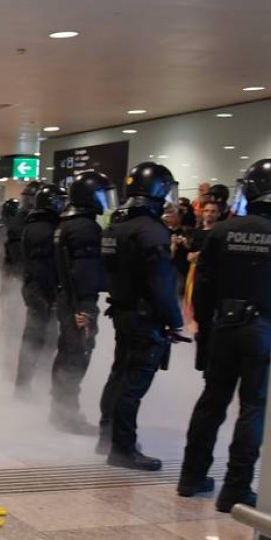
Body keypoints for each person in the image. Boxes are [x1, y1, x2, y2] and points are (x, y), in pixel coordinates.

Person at [177, 159, 271, 512]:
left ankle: (190, 478)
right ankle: (236, 489)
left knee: (212, 403)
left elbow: (203, 288)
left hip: (224, 326)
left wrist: (206, 333)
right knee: (254, 407)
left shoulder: (223, 232)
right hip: (265, 329)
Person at [96, 162, 186, 470]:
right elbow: (161, 284)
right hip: (144, 318)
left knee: (119, 375)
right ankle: (122, 448)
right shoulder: (152, 232)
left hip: (122, 311)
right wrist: (175, 320)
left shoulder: (115, 228)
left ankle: (107, 437)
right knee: (132, 386)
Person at [49, 172, 116, 433]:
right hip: (79, 301)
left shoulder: (64, 224)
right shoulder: (86, 228)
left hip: (66, 297)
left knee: (65, 352)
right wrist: (83, 310)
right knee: (77, 354)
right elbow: (84, 272)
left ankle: (60, 411)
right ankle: (68, 414)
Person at [15, 183, 65, 395]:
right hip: (42, 292)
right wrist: (51, 297)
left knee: (35, 338)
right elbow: (43, 266)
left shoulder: (32, 225)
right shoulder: (45, 229)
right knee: (38, 339)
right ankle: (26, 386)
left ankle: (25, 384)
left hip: (34, 289)